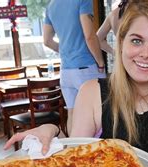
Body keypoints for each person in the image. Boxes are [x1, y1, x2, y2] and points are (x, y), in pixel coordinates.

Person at [5, 0, 148, 167]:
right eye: (137, 41)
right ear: (121, 42)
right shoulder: (91, 92)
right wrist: (53, 132)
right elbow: (76, 164)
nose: (146, 53)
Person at [43, 0, 106, 132]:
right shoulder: (82, 0)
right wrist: (100, 62)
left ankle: (73, 150)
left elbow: (47, 41)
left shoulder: (51, 5)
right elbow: (89, 36)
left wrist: (67, 51)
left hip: (66, 71)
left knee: (72, 114)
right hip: (86, 67)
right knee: (100, 113)